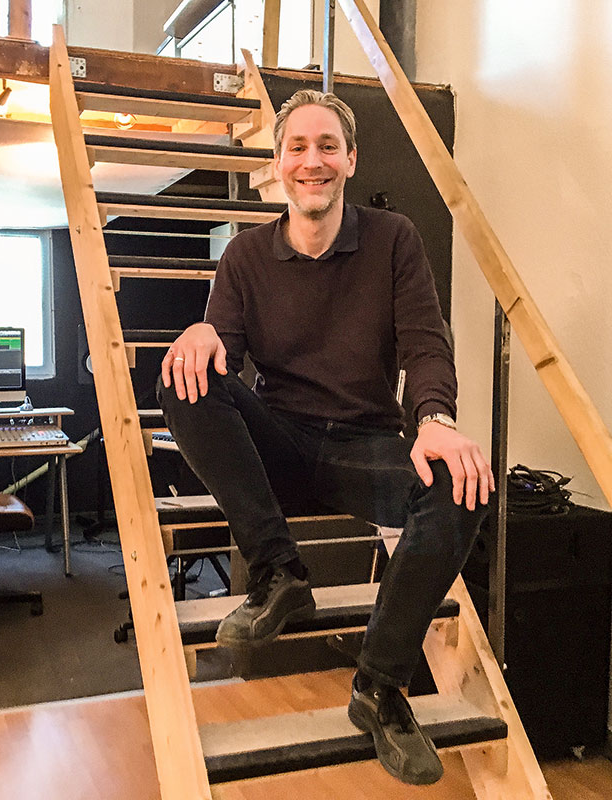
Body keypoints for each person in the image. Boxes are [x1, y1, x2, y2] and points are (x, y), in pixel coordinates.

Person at [156, 89, 494, 786]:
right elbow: (221, 346)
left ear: (350, 159)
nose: (313, 161)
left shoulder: (393, 238)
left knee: (465, 485)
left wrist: (435, 421)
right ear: (278, 164)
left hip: (367, 446)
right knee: (180, 378)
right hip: (280, 439)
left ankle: (378, 687)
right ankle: (282, 576)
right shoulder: (246, 256)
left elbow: (428, 347)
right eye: (298, 148)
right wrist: (199, 333)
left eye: (327, 146)